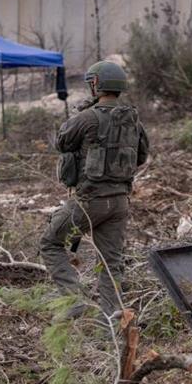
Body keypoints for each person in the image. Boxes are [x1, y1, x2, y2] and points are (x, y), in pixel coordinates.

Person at [39, 60, 149, 321]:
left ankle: (74, 300)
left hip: (89, 202)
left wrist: (83, 114)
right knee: (111, 264)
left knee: (50, 242)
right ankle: (109, 325)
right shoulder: (133, 120)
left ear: (96, 85)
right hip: (120, 203)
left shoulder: (87, 118)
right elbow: (141, 156)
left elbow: (62, 142)